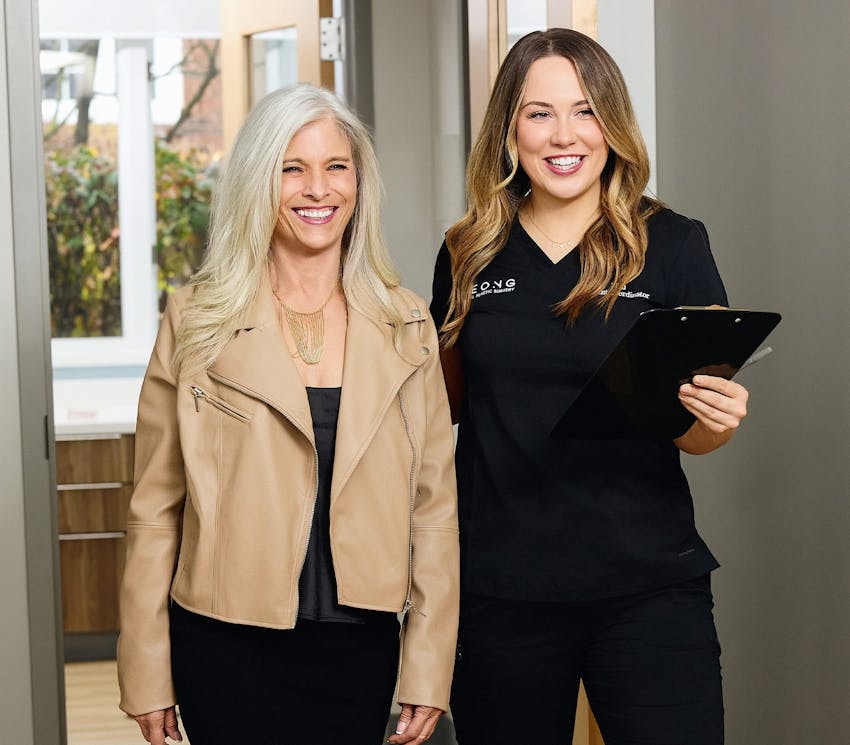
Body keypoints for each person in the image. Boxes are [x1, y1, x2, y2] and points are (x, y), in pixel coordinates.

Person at [431, 29, 748, 745]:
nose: (564, 135)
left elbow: (694, 433)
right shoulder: (467, 251)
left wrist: (716, 420)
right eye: (539, 113)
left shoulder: (673, 243)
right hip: (501, 592)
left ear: (613, 124)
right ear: (510, 128)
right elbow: (439, 409)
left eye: (585, 111)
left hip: (647, 586)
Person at [117, 84, 459, 745]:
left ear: (359, 181)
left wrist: (428, 663)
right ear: (258, 180)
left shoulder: (407, 323)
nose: (318, 189)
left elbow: (435, 510)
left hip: (359, 649)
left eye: (336, 166)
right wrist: (146, 667)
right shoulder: (196, 320)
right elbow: (154, 510)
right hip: (224, 646)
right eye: (291, 168)